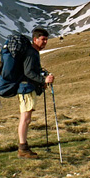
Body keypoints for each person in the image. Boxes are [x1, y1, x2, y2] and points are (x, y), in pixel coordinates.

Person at [17, 28, 54, 159]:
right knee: (25, 119)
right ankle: (22, 148)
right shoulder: (31, 53)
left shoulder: (33, 52)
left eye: (46, 40)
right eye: (43, 39)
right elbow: (28, 73)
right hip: (26, 89)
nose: (45, 42)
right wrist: (43, 80)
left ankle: (24, 147)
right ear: (35, 39)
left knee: (26, 118)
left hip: (26, 88)